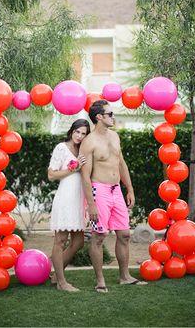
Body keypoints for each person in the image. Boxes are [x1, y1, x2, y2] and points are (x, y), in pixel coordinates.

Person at [80, 100, 147, 293]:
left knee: (124, 235)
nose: (113, 117)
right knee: (99, 236)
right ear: (99, 117)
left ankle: (125, 277)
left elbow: (121, 163)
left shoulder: (115, 137)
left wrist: (130, 188)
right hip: (98, 191)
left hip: (116, 189)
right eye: (110, 114)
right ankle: (100, 281)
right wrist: (91, 204)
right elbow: (85, 175)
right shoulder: (89, 142)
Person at [48, 119, 90, 292]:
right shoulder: (61, 148)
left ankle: (55, 274)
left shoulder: (84, 151)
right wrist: (73, 169)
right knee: (61, 240)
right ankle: (61, 282)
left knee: (79, 242)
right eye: (77, 132)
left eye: (83, 133)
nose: (79, 136)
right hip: (65, 198)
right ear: (72, 131)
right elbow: (51, 175)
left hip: (79, 200)